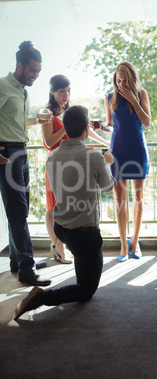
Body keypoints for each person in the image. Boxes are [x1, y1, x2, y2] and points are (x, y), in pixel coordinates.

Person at [13, 105, 116, 320]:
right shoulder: (93, 156)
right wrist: (106, 163)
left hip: (61, 228)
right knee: (87, 290)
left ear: (65, 129)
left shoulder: (53, 156)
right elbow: (107, 186)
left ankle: (78, 271)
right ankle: (42, 298)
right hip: (85, 234)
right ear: (87, 129)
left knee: (82, 258)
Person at [41, 75, 110, 264]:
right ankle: (58, 246)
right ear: (52, 91)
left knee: (69, 202)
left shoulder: (71, 111)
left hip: (73, 162)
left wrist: (106, 142)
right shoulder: (47, 113)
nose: (66, 94)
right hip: (56, 161)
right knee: (52, 205)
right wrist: (67, 126)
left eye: (68, 90)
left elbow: (86, 130)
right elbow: (48, 142)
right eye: (62, 91)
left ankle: (66, 244)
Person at [0, 41, 51, 286]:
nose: (36, 75)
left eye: (39, 71)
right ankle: (27, 269)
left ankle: (16, 259)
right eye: (32, 70)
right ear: (19, 65)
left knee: (21, 210)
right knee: (18, 212)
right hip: (6, 154)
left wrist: (36, 121)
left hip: (22, 152)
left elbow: (13, 122)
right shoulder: (2, 86)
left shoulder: (23, 90)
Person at [91, 61, 151, 262]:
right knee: (119, 200)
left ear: (132, 80)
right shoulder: (109, 97)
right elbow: (111, 125)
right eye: (118, 80)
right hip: (117, 151)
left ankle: (135, 241)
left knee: (139, 199)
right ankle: (123, 244)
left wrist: (134, 100)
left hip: (137, 150)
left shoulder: (141, 94)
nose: (122, 84)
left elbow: (147, 122)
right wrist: (100, 127)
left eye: (125, 80)